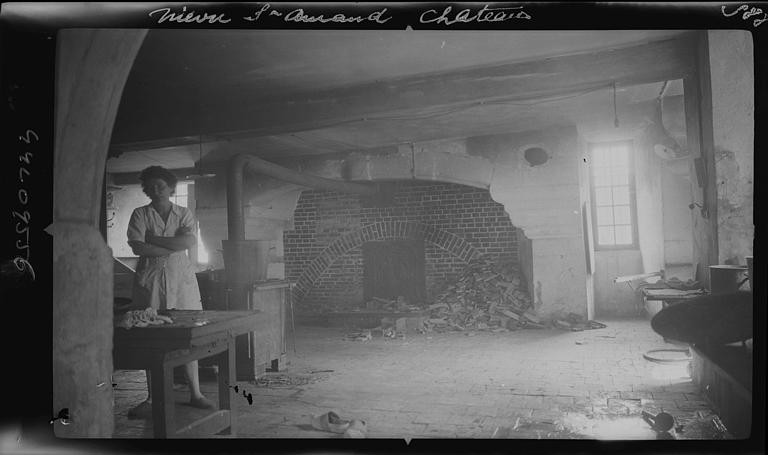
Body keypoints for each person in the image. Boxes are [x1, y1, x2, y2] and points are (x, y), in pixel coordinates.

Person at [126, 166, 215, 418]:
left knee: (188, 335)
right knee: (151, 336)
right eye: (151, 187)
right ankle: (153, 398)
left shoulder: (183, 213)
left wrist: (154, 239)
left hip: (181, 280)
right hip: (151, 279)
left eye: (161, 186)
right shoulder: (140, 214)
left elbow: (188, 242)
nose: (156, 190)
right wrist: (171, 245)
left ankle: (195, 394)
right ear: (146, 189)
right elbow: (138, 247)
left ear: (171, 188)